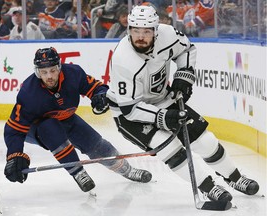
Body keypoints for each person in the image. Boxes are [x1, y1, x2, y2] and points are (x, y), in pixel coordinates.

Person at [107, 5, 259, 202]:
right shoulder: (123, 60)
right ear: (129, 30)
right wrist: (164, 118)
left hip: (163, 99)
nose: (140, 36)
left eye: (146, 31)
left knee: (206, 141)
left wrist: (184, 76)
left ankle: (235, 177)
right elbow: (130, 109)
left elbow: (186, 49)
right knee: (170, 149)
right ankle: (208, 187)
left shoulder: (168, 34)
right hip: (130, 115)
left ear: (156, 30)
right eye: (135, 31)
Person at [3, 47, 152, 193]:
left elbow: (95, 87)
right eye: (44, 72)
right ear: (37, 72)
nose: (49, 76)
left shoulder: (73, 73)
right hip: (37, 128)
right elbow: (13, 130)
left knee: (95, 144)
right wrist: (14, 155)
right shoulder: (29, 93)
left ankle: (127, 170)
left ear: (59, 67)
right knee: (50, 127)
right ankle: (78, 172)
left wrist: (100, 95)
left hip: (66, 118)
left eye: (53, 70)